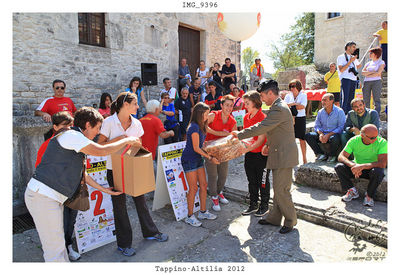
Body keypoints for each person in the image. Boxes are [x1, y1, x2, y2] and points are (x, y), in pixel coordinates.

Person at [25, 106, 136, 262]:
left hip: (47, 197)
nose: (98, 133)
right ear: (88, 125)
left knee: (59, 247)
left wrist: (104, 189)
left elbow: (82, 174)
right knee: (54, 251)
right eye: (97, 128)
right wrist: (128, 139)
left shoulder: (75, 139)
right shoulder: (72, 135)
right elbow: (101, 151)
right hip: (43, 196)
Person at [98, 92, 168, 257]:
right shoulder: (108, 122)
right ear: (125, 105)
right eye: (135, 103)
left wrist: (134, 143)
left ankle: (150, 232)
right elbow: (99, 146)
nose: (138, 107)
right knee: (120, 207)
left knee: (141, 201)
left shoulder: (136, 124)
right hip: (113, 169)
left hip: (132, 167)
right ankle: (124, 244)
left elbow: (139, 146)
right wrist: (121, 139)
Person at [232, 80, 298, 234]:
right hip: (277, 153)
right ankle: (274, 218)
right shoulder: (277, 107)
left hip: (284, 156)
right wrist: (268, 144)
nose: (261, 99)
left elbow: (263, 127)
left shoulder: (279, 109)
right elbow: (274, 131)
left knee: (282, 191)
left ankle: (290, 220)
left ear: (270, 93)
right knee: (278, 189)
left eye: (262, 96)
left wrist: (240, 134)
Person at [33, 111, 81, 261]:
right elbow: (40, 168)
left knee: (70, 222)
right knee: (58, 225)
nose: (68, 129)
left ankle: (68, 247)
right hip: (55, 191)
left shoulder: (76, 141)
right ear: (54, 126)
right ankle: (57, 252)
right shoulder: (47, 145)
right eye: (64, 126)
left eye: (70, 125)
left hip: (72, 190)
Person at [181, 102, 219, 227]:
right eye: (206, 114)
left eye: (208, 113)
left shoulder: (201, 125)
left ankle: (203, 212)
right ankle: (190, 216)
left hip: (197, 159)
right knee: (193, 188)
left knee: (203, 185)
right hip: (189, 159)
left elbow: (202, 144)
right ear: (199, 114)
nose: (208, 116)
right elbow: (196, 148)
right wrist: (209, 157)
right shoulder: (194, 127)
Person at [335, 124, 387, 207]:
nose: (375, 139)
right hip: (356, 168)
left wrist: (362, 166)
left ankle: (369, 196)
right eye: (372, 138)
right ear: (362, 135)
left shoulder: (382, 142)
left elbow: (382, 163)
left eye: (376, 136)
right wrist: (353, 165)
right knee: (339, 167)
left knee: (378, 171)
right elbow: (341, 156)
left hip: (371, 170)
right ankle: (352, 191)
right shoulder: (354, 140)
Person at [205, 94, 237, 212]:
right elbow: (203, 127)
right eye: (227, 105)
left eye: (231, 106)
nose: (229, 108)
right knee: (213, 175)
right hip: (210, 150)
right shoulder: (213, 115)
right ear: (222, 105)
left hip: (224, 150)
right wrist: (223, 134)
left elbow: (233, 137)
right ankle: (214, 196)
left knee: (223, 174)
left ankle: (219, 192)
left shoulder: (232, 121)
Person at [240, 91, 270, 217]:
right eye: (245, 103)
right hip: (250, 153)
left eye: (247, 103)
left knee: (262, 181)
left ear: (255, 102)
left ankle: (264, 205)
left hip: (261, 154)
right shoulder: (246, 117)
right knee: (251, 180)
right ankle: (253, 204)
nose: (245, 105)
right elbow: (246, 136)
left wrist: (246, 149)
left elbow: (261, 140)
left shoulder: (262, 117)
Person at [305, 93, 346, 163]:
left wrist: (328, 135)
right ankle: (320, 154)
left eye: (325, 100)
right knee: (308, 136)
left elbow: (341, 127)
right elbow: (317, 126)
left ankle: (332, 155)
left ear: (331, 101)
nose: (323, 102)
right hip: (323, 134)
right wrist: (321, 134)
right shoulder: (320, 112)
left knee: (335, 138)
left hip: (333, 134)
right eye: (322, 100)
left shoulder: (339, 111)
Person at [285, 80, 308, 164]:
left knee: (302, 139)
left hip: (300, 118)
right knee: (291, 140)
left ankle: (304, 158)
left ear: (298, 86)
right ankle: (292, 159)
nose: (292, 88)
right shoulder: (288, 96)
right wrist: (295, 104)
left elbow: (302, 106)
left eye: (293, 86)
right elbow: (285, 107)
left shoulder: (303, 95)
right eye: (290, 86)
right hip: (290, 118)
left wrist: (291, 105)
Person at [337, 41, 362, 114]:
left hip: (353, 79)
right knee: (345, 98)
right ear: (348, 47)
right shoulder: (341, 57)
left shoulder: (353, 57)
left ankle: (350, 115)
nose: (355, 49)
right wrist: (350, 62)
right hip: (345, 79)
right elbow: (341, 69)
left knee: (351, 99)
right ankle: (343, 115)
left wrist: (354, 62)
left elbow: (359, 65)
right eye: (353, 47)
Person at [362, 47, 386, 114]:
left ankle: (376, 115)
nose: (369, 54)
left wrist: (368, 74)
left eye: (371, 53)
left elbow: (379, 73)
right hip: (366, 82)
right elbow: (363, 72)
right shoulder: (368, 63)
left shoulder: (381, 62)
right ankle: (366, 114)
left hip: (376, 82)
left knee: (376, 100)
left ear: (376, 54)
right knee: (366, 99)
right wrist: (374, 73)